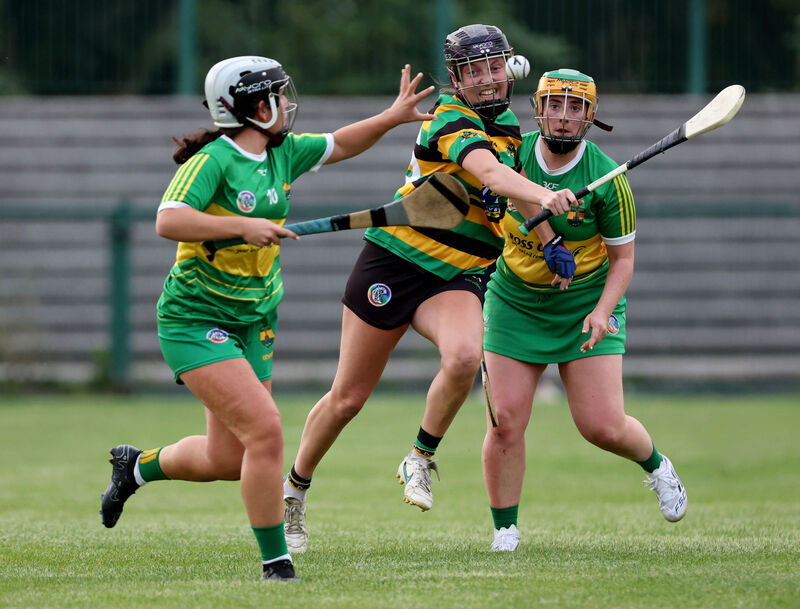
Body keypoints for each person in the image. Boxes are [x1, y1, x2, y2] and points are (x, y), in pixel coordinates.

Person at [99, 55, 438, 582]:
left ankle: (136, 467)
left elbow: (341, 143)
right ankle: (276, 564)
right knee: (266, 431)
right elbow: (169, 219)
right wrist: (241, 225)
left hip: (253, 320)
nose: (287, 103)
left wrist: (391, 117)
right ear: (256, 108)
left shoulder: (282, 153)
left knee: (227, 458)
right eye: (278, 96)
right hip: (194, 319)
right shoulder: (213, 160)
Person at [281, 24, 579, 555]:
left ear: (506, 68)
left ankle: (419, 456)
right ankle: (294, 491)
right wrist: (544, 192)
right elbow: (488, 173)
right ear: (457, 77)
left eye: (493, 68)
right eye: (474, 71)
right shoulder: (449, 117)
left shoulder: (508, 123)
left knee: (465, 355)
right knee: (348, 398)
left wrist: (551, 237)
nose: (487, 80)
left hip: (459, 272)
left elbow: (512, 192)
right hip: (394, 263)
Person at [481, 68, 688, 552]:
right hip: (514, 299)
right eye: (556, 105)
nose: (564, 117)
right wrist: (550, 237)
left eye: (576, 108)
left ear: (590, 117)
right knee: (504, 420)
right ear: (539, 108)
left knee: (602, 427)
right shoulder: (509, 153)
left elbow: (624, 261)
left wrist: (601, 311)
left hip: (586, 301)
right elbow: (508, 191)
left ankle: (657, 465)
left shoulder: (609, 180)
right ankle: (505, 531)